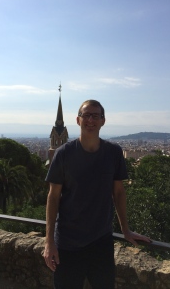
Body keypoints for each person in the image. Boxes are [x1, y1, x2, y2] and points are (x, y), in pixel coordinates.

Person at [44, 100, 150, 289]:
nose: (90, 120)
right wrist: (49, 242)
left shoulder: (114, 153)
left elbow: (118, 193)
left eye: (95, 116)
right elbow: (53, 198)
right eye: (86, 115)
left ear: (103, 121)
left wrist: (125, 229)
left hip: (101, 242)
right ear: (78, 120)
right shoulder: (63, 154)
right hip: (68, 243)